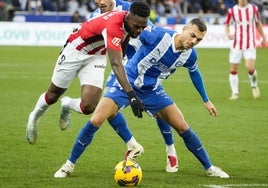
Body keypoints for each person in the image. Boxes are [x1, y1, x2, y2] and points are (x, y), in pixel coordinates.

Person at [54, 18, 230, 179]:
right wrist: (120, 52)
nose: (193, 41)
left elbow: (195, 73)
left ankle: (209, 168)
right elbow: (130, 30)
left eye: (199, 40)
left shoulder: (190, 55)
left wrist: (206, 100)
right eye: (192, 35)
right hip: (126, 84)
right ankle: (68, 165)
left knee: (183, 126)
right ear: (184, 29)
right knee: (96, 119)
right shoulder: (158, 35)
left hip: (151, 90)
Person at [59, 0, 178, 173]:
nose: (101, 3)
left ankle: (170, 150)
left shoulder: (131, 10)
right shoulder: (96, 16)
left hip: (145, 65)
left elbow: (151, 33)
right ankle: (132, 145)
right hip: (122, 65)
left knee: (159, 109)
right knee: (106, 109)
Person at [25, 1, 150, 145]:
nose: (139, 30)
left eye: (143, 27)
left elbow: (121, 51)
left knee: (89, 106)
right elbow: (115, 64)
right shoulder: (114, 26)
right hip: (76, 48)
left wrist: (124, 67)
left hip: (97, 55)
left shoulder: (130, 23)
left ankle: (67, 104)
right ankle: (34, 117)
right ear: (128, 18)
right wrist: (131, 95)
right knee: (53, 95)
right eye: (137, 27)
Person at [225, 0, 266, 100]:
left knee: (250, 67)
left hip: (250, 44)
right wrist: (228, 34)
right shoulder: (232, 10)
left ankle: (254, 85)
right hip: (237, 44)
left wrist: (263, 37)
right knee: (233, 69)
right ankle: (235, 93)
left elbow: (258, 23)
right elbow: (227, 25)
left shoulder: (253, 9)